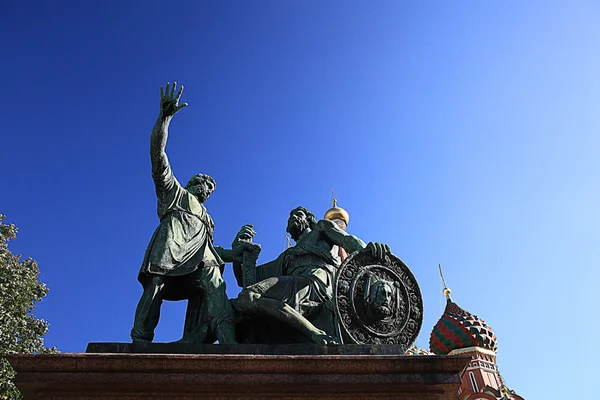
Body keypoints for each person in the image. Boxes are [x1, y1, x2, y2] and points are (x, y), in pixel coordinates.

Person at [130, 82, 253, 344]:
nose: (206, 191)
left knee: (216, 285)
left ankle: (228, 341)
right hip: (170, 249)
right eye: (203, 184)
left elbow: (212, 250)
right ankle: (141, 339)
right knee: (157, 286)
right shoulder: (174, 193)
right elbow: (157, 154)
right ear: (190, 183)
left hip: (200, 258)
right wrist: (164, 118)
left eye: (210, 189)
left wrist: (237, 253)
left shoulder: (208, 219)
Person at [235, 206, 389, 344]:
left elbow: (348, 240)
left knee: (249, 298)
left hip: (316, 282)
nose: (293, 218)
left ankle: (315, 333)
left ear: (309, 220)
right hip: (297, 283)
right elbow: (247, 278)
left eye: (298, 214)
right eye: (290, 217)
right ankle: (312, 332)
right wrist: (239, 251)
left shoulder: (321, 229)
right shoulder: (287, 256)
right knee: (245, 299)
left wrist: (368, 250)